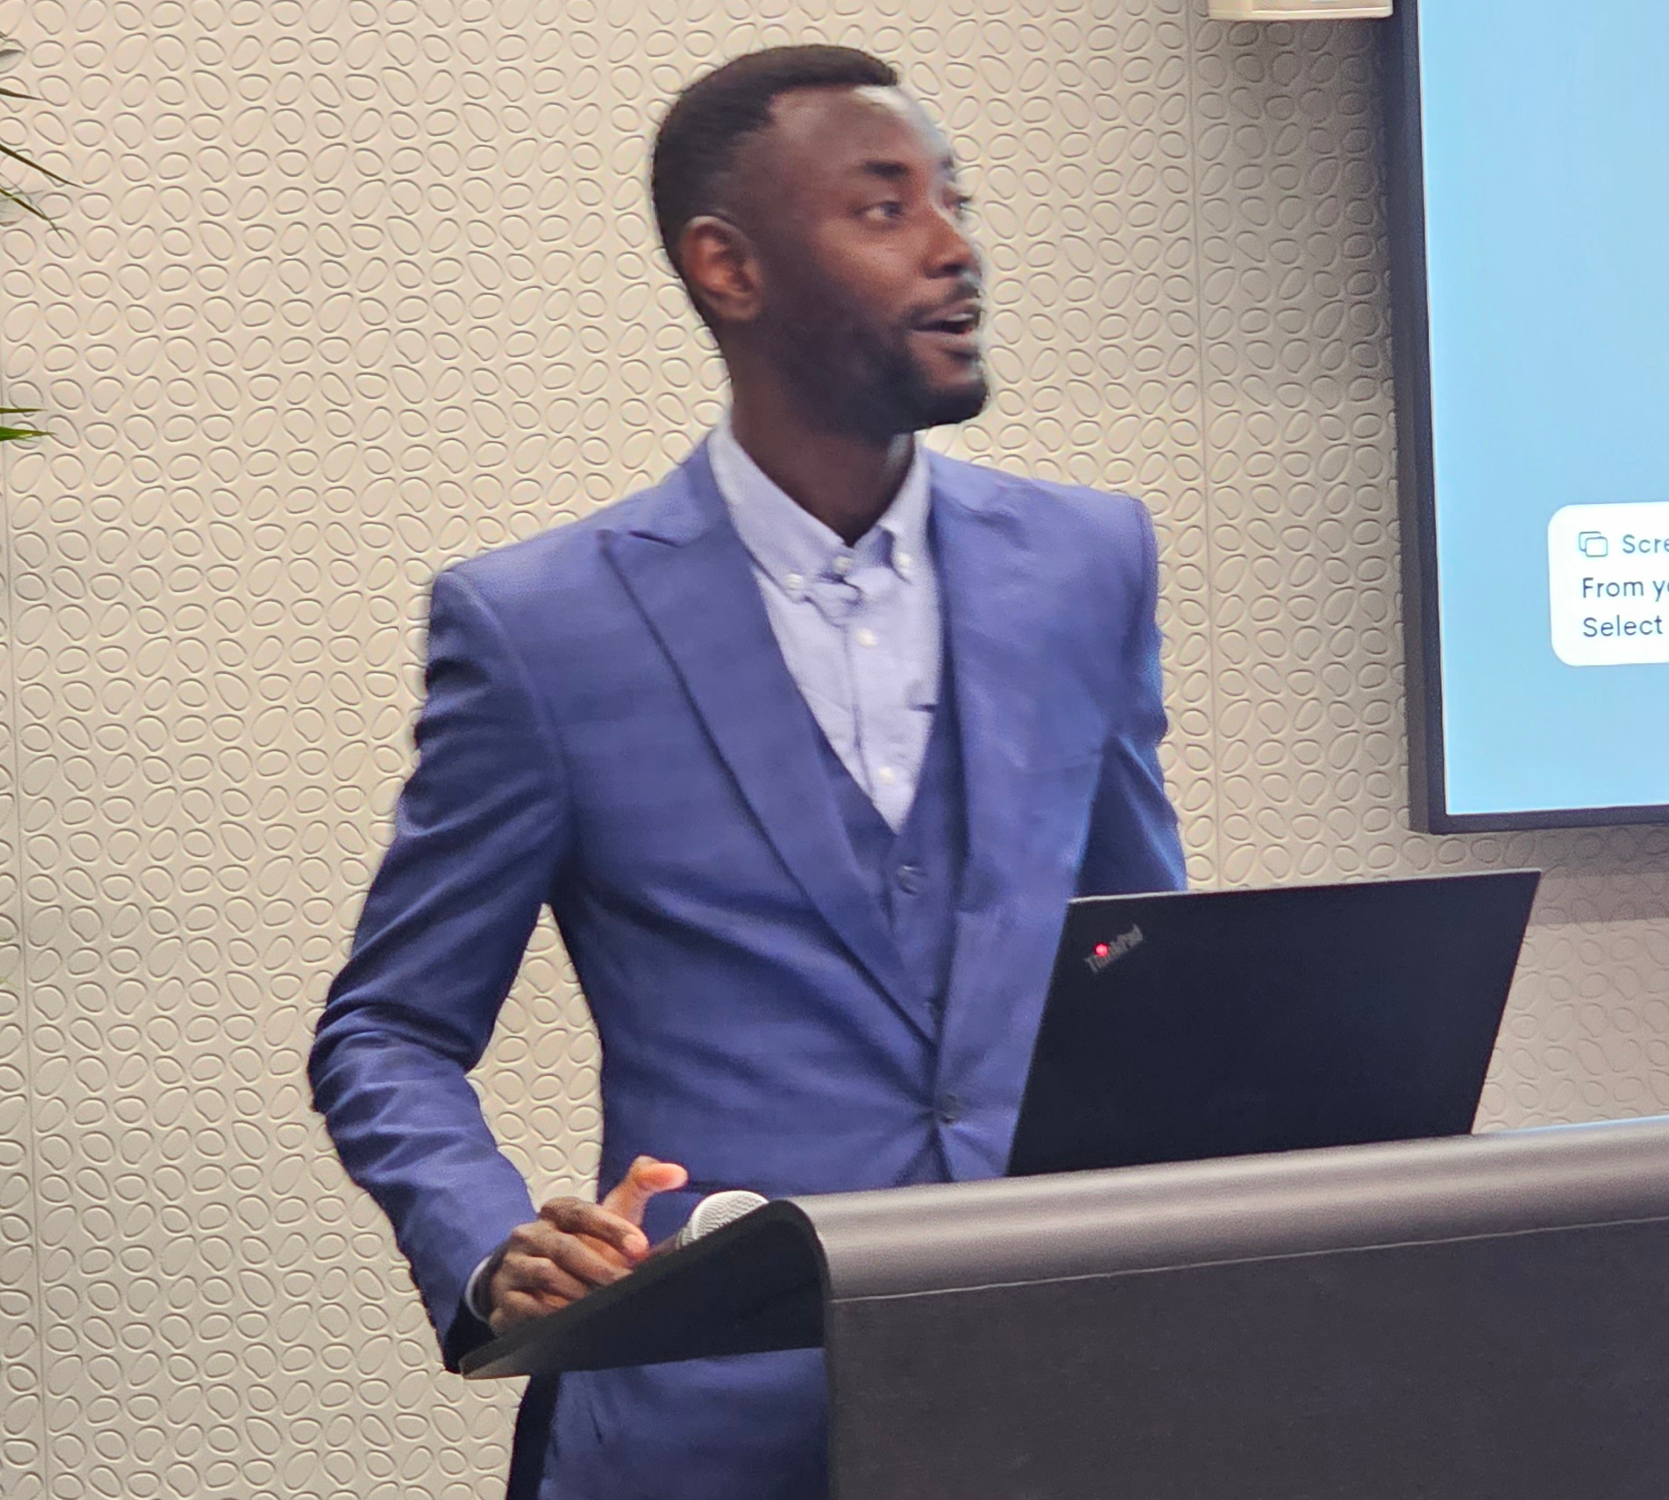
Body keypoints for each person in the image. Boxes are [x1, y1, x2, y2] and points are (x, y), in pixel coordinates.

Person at [308, 43, 1185, 1500]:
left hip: (1053, 1398)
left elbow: (1141, 966)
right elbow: (386, 1031)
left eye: (954, 199)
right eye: (885, 207)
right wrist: (489, 1246)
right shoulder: (540, 631)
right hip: (696, 1430)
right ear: (729, 266)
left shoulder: (1091, 564)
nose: (956, 250)